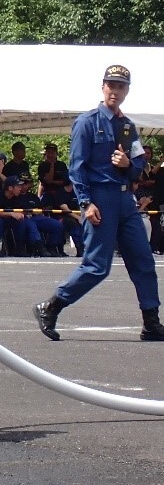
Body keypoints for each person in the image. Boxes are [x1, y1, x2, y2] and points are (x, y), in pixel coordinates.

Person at [35, 65, 163, 341]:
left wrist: (129, 164)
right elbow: (76, 167)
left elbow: (139, 162)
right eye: (111, 85)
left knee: (143, 260)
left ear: (127, 91)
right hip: (100, 198)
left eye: (121, 87)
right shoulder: (87, 122)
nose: (115, 91)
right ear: (102, 87)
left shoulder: (127, 126)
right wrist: (85, 202)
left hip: (125, 199)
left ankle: (151, 321)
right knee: (97, 266)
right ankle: (51, 306)